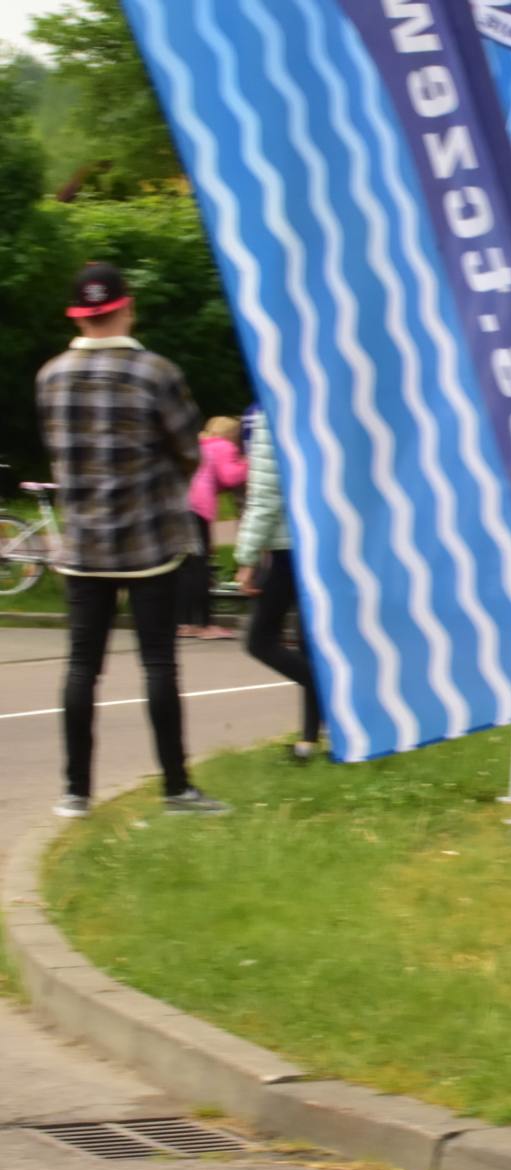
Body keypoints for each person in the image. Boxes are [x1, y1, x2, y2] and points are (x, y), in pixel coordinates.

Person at [36, 262, 228, 819]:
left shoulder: (50, 376)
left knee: (81, 668)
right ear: (128, 306)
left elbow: (58, 449)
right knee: (159, 664)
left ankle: (75, 793)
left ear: (78, 315)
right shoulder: (155, 373)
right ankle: (176, 789)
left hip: (83, 546)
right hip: (148, 543)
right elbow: (189, 452)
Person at [233, 421, 325, 759]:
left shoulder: (270, 417)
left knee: (260, 641)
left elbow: (266, 497)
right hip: (319, 538)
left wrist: (246, 557)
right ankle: (309, 741)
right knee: (308, 642)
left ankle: (332, 693)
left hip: (285, 546)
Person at [179, 415, 246, 640]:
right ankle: (204, 624)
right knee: (200, 566)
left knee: (187, 566)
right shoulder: (223, 446)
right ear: (232, 435)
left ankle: (184, 622)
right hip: (199, 508)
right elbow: (229, 477)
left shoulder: (200, 444)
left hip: (182, 505)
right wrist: (247, 462)